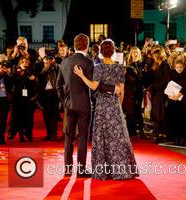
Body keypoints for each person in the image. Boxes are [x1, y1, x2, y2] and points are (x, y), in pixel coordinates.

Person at [73, 39, 138, 180]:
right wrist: (119, 106)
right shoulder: (120, 68)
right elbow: (121, 91)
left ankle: (104, 171)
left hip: (102, 106)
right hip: (114, 106)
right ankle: (121, 170)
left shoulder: (99, 68)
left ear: (101, 52)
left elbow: (93, 86)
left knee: (102, 137)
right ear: (114, 51)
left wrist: (81, 75)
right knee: (118, 138)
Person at [56, 34, 119, 177]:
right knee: (83, 137)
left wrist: (64, 100)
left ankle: (67, 169)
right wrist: (112, 89)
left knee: (68, 137)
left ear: (74, 44)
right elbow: (95, 85)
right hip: (84, 105)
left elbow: (58, 85)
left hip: (69, 105)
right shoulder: (89, 63)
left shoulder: (64, 62)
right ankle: (81, 170)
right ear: (87, 45)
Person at [166, 53, 186, 146]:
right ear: (175, 67)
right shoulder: (172, 74)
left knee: (183, 120)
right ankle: (175, 137)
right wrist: (170, 95)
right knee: (174, 119)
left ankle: (183, 138)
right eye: (177, 67)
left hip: (184, 100)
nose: (179, 69)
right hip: (173, 100)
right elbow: (170, 85)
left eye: (181, 67)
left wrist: (180, 94)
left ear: (184, 66)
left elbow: (185, 86)